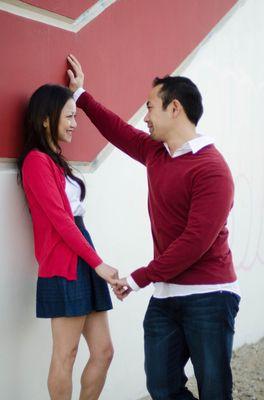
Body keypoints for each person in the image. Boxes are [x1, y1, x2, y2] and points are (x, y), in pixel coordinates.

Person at [67, 54, 240, 400]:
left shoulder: (212, 169)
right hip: (165, 297)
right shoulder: (155, 152)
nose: (144, 117)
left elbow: (195, 242)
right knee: (161, 387)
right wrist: (80, 95)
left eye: (150, 107)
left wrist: (138, 277)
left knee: (215, 390)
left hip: (209, 296)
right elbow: (117, 129)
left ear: (174, 108)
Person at [17, 83, 118, 400]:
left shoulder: (55, 160)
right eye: (70, 116)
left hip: (82, 252)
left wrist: (80, 89)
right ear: (46, 118)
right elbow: (60, 220)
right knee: (67, 353)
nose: (75, 123)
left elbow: (72, 219)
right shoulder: (36, 161)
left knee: (103, 351)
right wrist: (98, 264)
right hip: (64, 261)